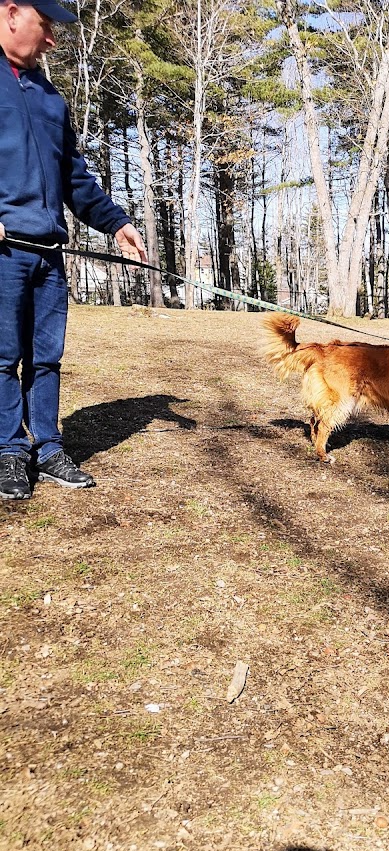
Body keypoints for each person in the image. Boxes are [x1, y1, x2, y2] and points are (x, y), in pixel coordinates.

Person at [0, 0, 147, 501]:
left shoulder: (49, 98)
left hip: (47, 253)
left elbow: (73, 179)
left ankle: (47, 446)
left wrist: (117, 223)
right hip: (3, 252)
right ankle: (8, 451)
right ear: (12, 13)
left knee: (47, 358)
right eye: (45, 26)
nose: (52, 40)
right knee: (2, 357)